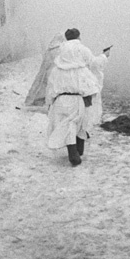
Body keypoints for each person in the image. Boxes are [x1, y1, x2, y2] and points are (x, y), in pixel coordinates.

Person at [44, 28, 100, 166]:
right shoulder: (81, 69)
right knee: (79, 124)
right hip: (77, 100)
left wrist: (49, 103)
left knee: (67, 126)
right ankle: (75, 153)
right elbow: (93, 83)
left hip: (60, 101)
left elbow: (50, 88)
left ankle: (75, 151)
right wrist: (104, 56)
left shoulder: (57, 70)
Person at [25, 32, 66, 108]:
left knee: (40, 85)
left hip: (46, 70)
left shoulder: (50, 49)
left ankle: (33, 100)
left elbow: (46, 61)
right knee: (52, 88)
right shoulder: (60, 49)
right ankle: (50, 103)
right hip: (55, 72)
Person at [84, 45, 111, 135]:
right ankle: (91, 122)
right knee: (92, 105)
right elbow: (94, 64)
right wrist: (104, 56)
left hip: (90, 85)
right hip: (91, 86)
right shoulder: (84, 53)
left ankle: (91, 122)